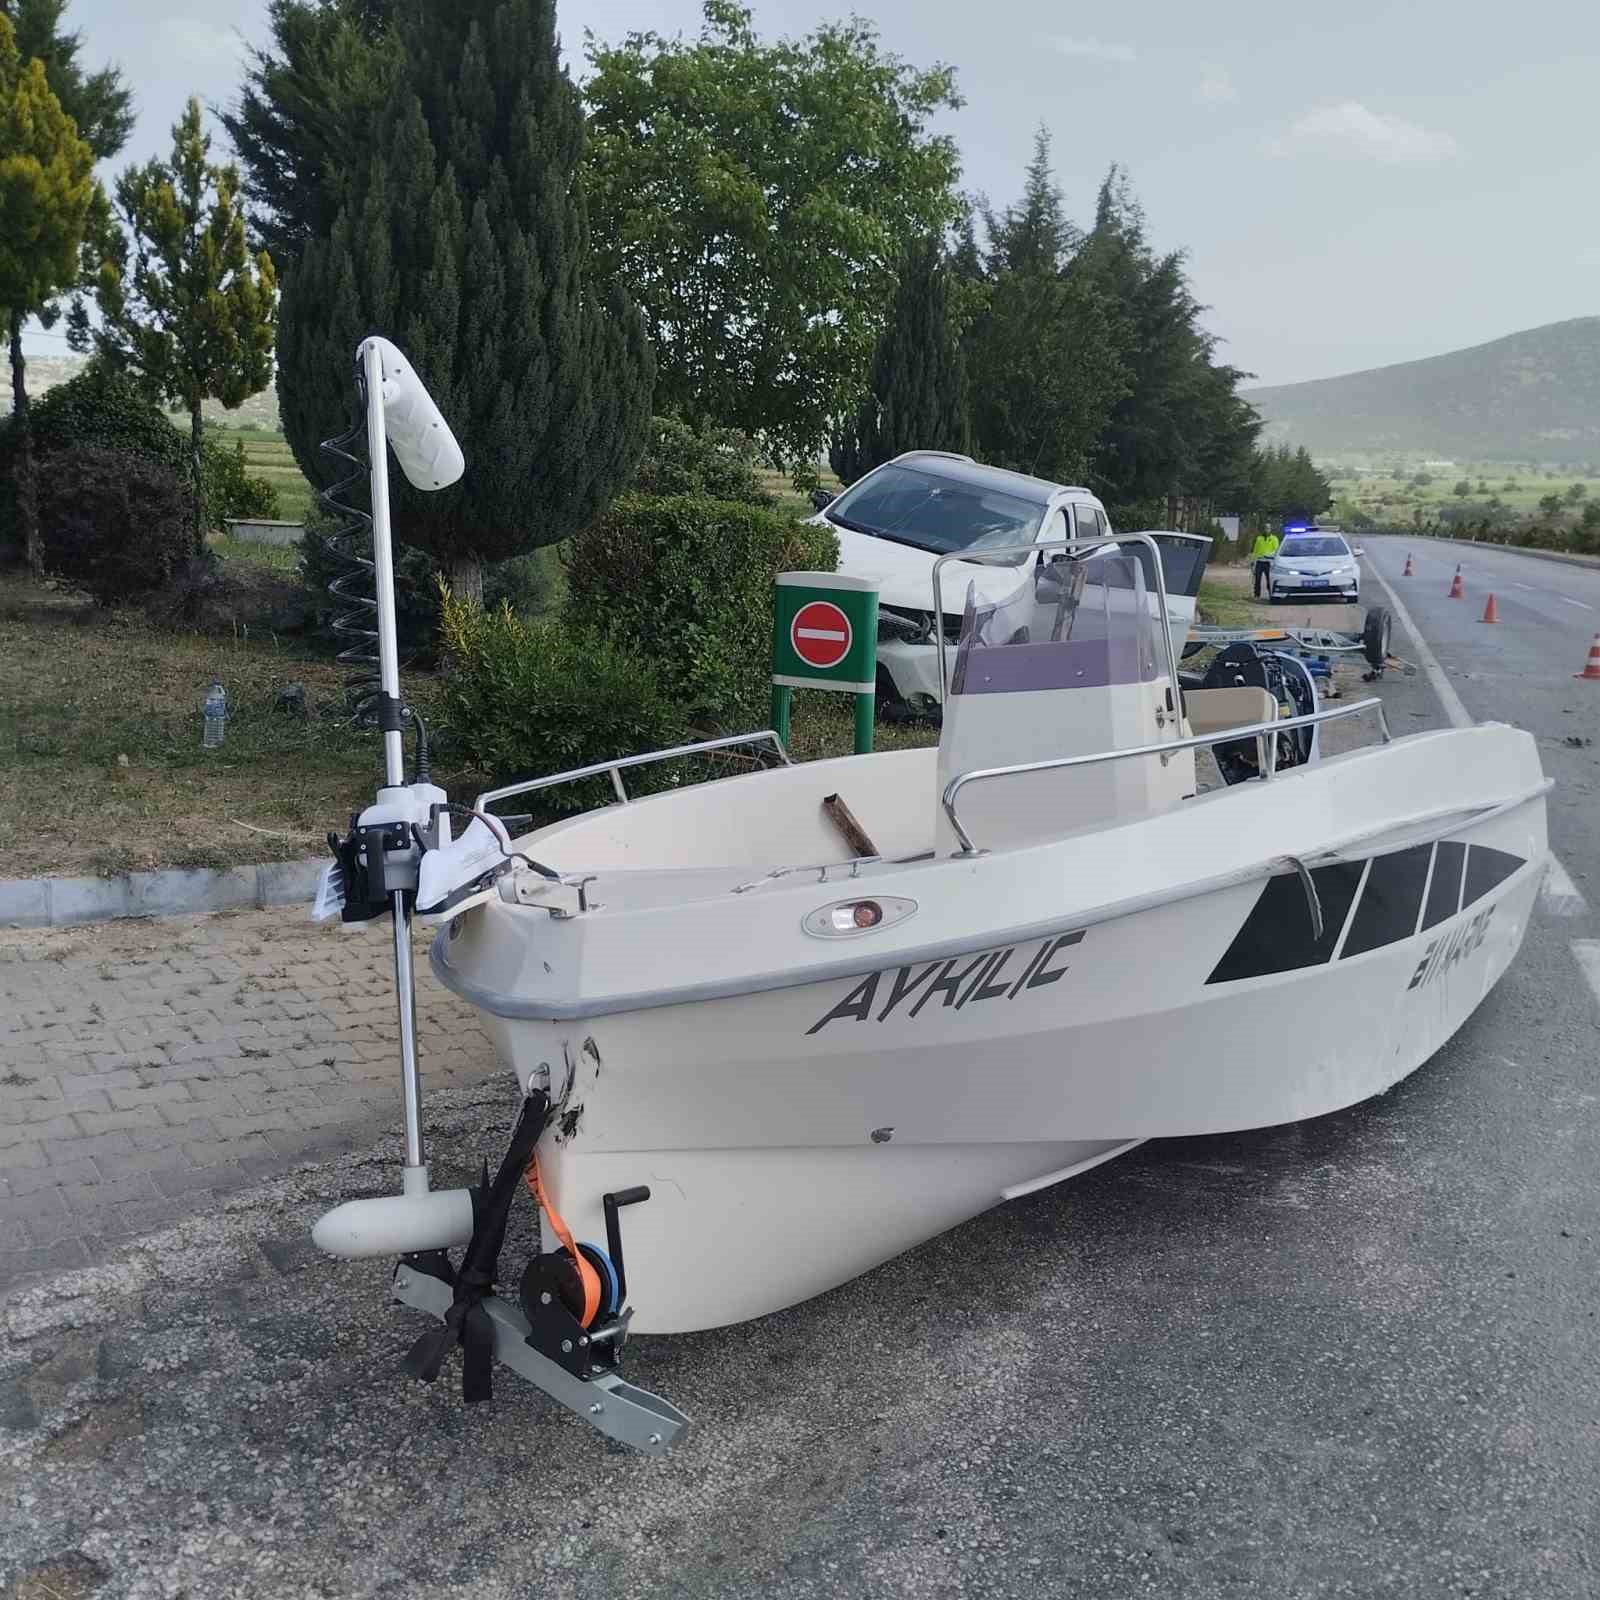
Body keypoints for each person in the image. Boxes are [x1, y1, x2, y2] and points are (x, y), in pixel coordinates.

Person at [1250, 529, 1280, 599]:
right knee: (1257, 579)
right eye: (1265, 528)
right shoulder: (1259, 538)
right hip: (1259, 562)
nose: (1267, 530)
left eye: (1268, 528)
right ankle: (1257, 595)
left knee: (1269, 579)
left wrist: (1268, 555)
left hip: (1269, 562)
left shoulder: (1274, 539)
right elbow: (1255, 550)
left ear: (1270, 529)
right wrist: (1253, 561)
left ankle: (1271, 594)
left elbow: (1276, 550)